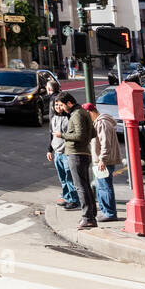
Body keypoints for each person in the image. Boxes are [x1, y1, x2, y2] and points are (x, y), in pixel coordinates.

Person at [57, 92, 97, 229]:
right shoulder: (82, 112)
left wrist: (62, 135)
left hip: (76, 153)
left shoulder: (77, 114)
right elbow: (92, 133)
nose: (61, 108)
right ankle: (91, 215)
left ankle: (88, 217)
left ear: (69, 103)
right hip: (82, 153)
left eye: (62, 105)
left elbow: (80, 135)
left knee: (80, 186)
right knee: (85, 186)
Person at [84, 103, 122, 223]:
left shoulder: (102, 123)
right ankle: (106, 211)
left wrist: (103, 159)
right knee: (101, 187)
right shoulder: (99, 122)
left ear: (91, 112)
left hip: (104, 161)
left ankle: (109, 213)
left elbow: (106, 143)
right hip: (101, 160)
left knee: (105, 187)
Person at [47, 94, 79, 210]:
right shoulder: (53, 118)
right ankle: (66, 197)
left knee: (69, 177)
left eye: (60, 105)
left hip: (66, 152)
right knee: (63, 178)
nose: (58, 107)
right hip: (57, 152)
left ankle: (74, 200)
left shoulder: (69, 116)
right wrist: (49, 150)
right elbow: (51, 135)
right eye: (56, 105)